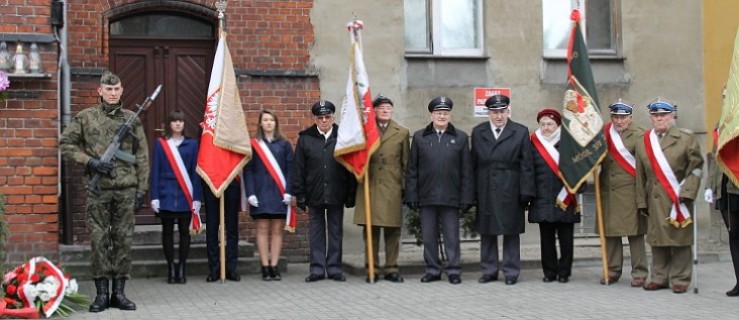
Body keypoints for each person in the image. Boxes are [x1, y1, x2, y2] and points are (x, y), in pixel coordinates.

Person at [59, 70, 148, 312]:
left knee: (123, 241)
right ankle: (101, 295)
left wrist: (142, 189)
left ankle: (119, 294)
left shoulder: (132, 119)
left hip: (125, 191)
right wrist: (90, 162)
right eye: (108, 89)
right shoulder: (85, 118)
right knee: (99, 242)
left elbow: (141, 156)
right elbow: (65, 144)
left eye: (116, 89)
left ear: (122, 91)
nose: (113, 93)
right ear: (100, 91)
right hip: (98, 191)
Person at [635, 100, 703, 294]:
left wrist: (688, 192)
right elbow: (640, 175)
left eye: (664, 115)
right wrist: (641, 201)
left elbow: (696, 168)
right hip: (654, 197)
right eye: (655, 116)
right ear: (651, 118)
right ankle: (659, 277)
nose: (659, 119)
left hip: (677, 197)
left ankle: (680, 278)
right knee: (656, 239)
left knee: (679, 237)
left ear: (672, 116)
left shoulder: (685, 138)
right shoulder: (643, 141)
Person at [405, 96, 473, 285]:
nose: (441, 116)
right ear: (431, 115)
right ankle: (433, 270)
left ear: (449, 115)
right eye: (438, 113)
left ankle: (453, 270)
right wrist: (411, 195)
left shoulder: (460, 137)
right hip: (427, 196)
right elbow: (412, 169)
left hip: (451, 197)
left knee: (452, 237)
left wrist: (467, 197)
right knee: (429, 237)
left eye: (445, 113)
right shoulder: (420, 137)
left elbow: (466, 171)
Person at [471, 94, 535, 285]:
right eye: (494, 112)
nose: (499, 116)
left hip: (511, 186)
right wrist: (472, 192)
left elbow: (527, 165)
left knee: (511, 232)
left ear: (508, 111)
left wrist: (527, 192)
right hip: (486, 186)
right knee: (487, 231)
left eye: (502, 112)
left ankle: (511, 271)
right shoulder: (478, 132)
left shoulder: (520, 131)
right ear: (488, 113)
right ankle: (489, 271)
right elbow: (472, 164)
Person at [293, 100, 357, 282]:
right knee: (316, 232)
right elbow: (299, 169)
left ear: (333, 118)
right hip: (314, 193)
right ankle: (317, 269)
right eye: (320, 117)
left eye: (327, 117)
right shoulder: (306, 139)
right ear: (315, 119)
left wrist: (351, 193)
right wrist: (300, 195)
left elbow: (350, 168)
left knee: (336, 231)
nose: (323, 120)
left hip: (337, 192)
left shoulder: (343, 137)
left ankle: (335, 268)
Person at [353, 95, 410, 283]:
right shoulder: (365, 131)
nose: (385, 110)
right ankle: (373, 268)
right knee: (371, 231)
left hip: (392, 187)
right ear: (374, 111)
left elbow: (405, 164)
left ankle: (391, 268)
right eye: (381, 108)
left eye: (388, 107)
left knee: (392, 231)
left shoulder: (401, 132)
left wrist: (405, 189)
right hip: (370, 187)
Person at [597, 101, 649, 286]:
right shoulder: (604, 133)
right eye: (616, 117)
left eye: (623, 117)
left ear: (630, 117)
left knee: (635, 234)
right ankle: (612, 270)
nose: (619, 121)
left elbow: (645, 165)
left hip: (630, 191)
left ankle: (640, 273)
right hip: (607, 191)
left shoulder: (640, 135)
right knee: (611, 234)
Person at [149, 110, 202, 284]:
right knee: (167, 232)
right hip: (166, 193)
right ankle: (171, 268)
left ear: (184, 124)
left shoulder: (192, 145)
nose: (178, 124)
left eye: (180, 121)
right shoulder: (161, 144)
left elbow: (195, 173)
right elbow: (155, 170)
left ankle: (182, 267)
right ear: (169, 124)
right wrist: (154, 195)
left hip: (185, 194)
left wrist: (196, 197)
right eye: (174, 121)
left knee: (185, 233)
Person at [528, 108, 580, 284]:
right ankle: (549, 272)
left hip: (566, 198)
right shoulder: (533, 142)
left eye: (550, 124)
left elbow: (578, 170)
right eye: (542, 124)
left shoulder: (569, 143)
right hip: (542, 198)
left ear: (557, 125)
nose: (546, 128)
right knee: (546, 240)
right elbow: (528, 170)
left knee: (566, 239)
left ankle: (564, 272)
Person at [245, 110, 294, 281]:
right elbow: (248, 170)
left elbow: (290, 170)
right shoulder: (254, 144)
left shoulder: (285, 145)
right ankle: (265, 266)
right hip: (260, 193)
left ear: (276, 123)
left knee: (277, 230)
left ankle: (274, 266)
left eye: (271, 120)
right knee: (262, 228)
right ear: (260, 123)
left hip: (279, 193)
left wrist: (289, 191)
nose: (268, 123)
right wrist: (250, 193)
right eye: (265, 120)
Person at [705, 87, 739, 296]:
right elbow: (715, 158)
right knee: (734, 236)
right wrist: (710, 185)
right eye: (723, 97)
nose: (725, 100)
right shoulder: (721, 124)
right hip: (724, 187)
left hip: (737, 185)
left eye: (729, 97)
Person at [204, 180, 242, 282]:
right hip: (211, 180)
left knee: (232, 228)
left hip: (231, 178)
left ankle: (231, 268)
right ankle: (214, 269)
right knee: (212, 229)